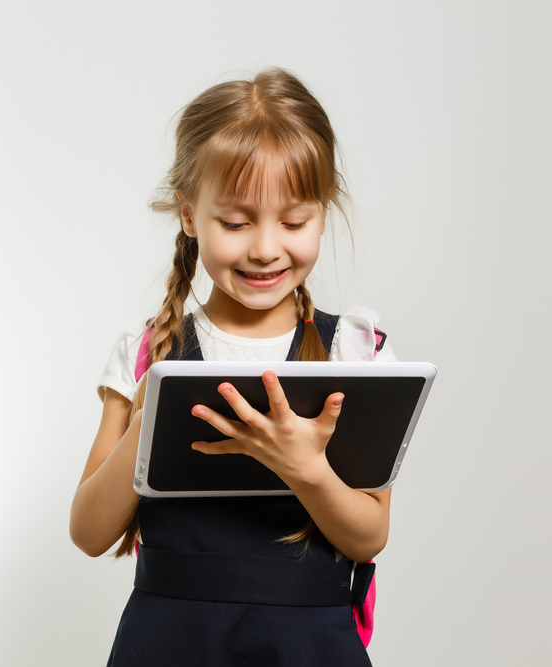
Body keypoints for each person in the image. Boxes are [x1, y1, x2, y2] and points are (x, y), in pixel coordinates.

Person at [69, 68, 397, 667]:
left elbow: (369, 536)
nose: (266, 248)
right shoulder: (148, 349)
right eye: (236, 222)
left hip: (308, 647)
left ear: (324, 212)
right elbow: (89, 533)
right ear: (189, 214)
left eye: (294, 222)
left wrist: (308, 470)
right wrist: (146, 421)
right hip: (167, 643)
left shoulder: (354, 352)